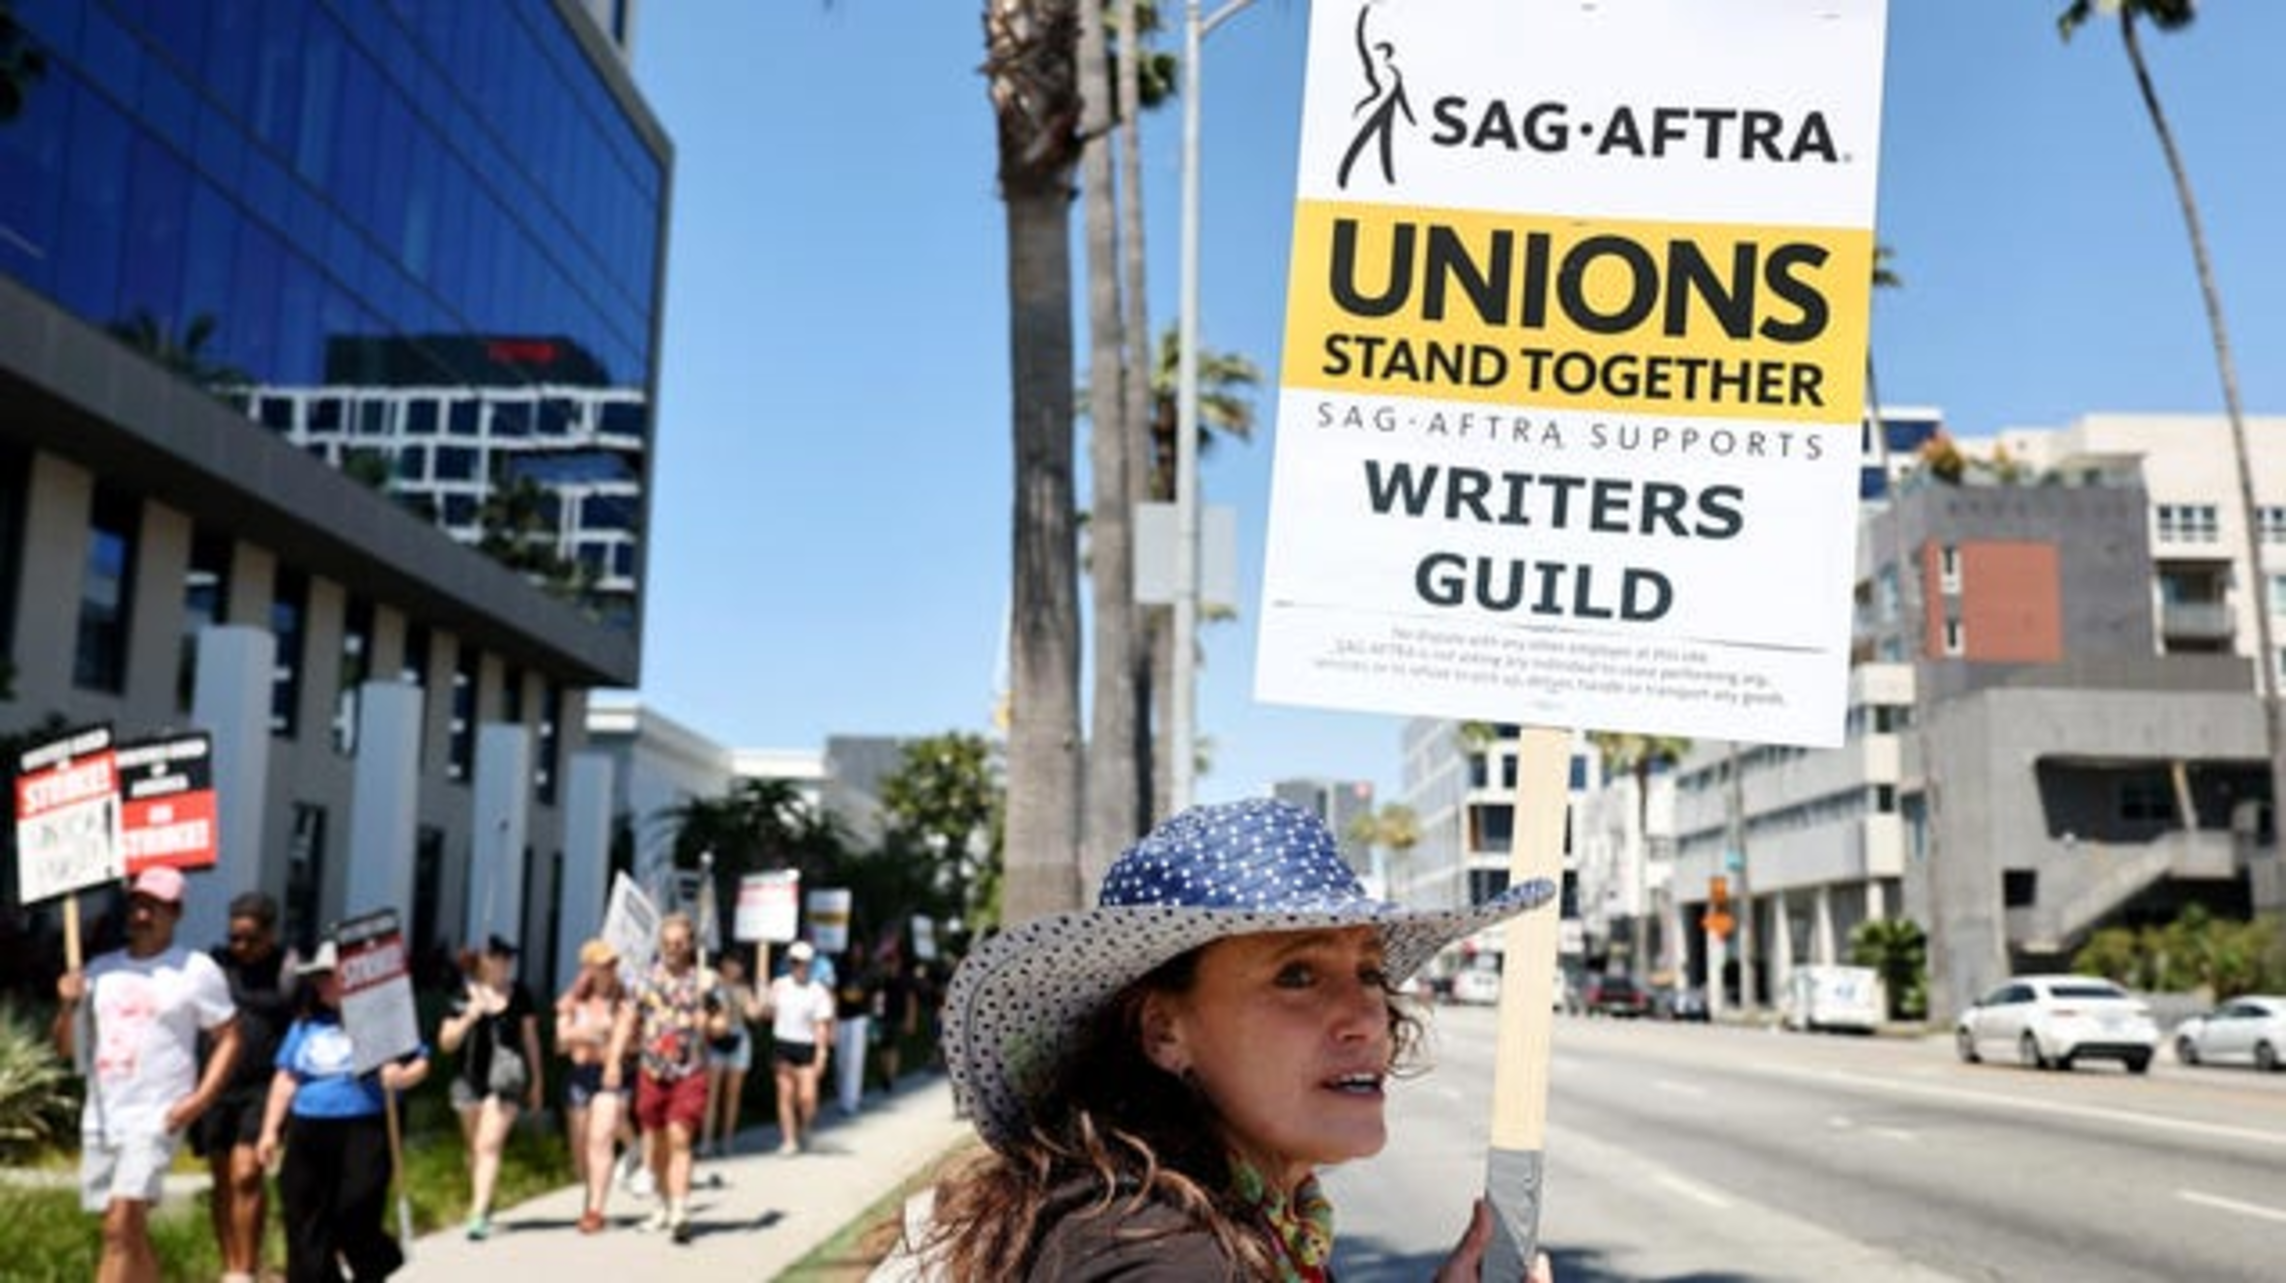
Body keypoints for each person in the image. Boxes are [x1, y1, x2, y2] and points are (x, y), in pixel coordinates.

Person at [916, 798, 1560, 1280]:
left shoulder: (1226, 1220)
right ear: (1164, 1032)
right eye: (1297, 975)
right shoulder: (1162, 1254)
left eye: (1369, 973)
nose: (1366, 1018)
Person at [52, 866, 243, 1283]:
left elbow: (229, 1037)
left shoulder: (195, 969)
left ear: (176, 912)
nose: (142, 915)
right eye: (137, 905)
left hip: (157, 1114)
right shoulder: (99, 970)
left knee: (120, 1226)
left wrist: (199, 1100)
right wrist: (67, 1004)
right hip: (103, 1116)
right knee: (124, 1230)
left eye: (154, 907)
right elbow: (67, 1049)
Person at [257, 938, 430, 1283]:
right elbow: (286, 1078)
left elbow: (420, 1063)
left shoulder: (386, 1021)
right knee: (303, 1215)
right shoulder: (306, 1024)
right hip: (309, 1128)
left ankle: (378, 1261)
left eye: (330, 976)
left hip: (364, 1125)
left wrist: (401, 1077)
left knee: (355, 1208)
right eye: (319, 977)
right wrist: (269, 1131)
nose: (322, 983)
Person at [607, 911, 729, 1244]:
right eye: (666, 943)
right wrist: (614, 1060)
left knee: (679, 1138)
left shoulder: (706, 981)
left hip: (690, 1072)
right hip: (652, 1071)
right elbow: (627, 1020)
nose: (672, 949)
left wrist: (709, 1023)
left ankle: (679, 1209)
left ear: (690, 945)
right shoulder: (644, 980)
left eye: (678, 943)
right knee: (658, 1142)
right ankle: (662, 1203)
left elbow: (724, 1023)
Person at [197, 891, 297, 1283]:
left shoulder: (288, 971)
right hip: (216, 1085)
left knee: (247, 1173)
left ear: (270, 934)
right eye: (234, 937)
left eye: (250, 939)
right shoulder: (216, 967)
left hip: (263, 1087)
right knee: (222, 1178)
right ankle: (230, 1265)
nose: (241, 946)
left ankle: (246, 1270)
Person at [436, 934, 543, 1240]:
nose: (506, 963)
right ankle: (483, 1199)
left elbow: (530, 1040)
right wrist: (470, 1016)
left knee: (488, 1145)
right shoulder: (462, 994)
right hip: (468, 1079)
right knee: (474, 1149)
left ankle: (477, 1213)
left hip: (506, 1081)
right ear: (484, 961)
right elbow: (446, 1042)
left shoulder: (520, 994)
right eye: (500, 957)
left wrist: (537, 1081)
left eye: (509, 958)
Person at [556, 936, 635, 1233]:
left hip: (611, 1075)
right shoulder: (573, 1000)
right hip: (580, 1075)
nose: (609, 969)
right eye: (603, 964)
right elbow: (561, 1042)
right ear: (588, 968)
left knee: (599, 1138)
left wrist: (605, 1047)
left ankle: (595, 1210)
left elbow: (629, 1038)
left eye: (612, 964)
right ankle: (591, 1191)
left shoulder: (624, 1000)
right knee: (580, 1146)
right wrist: (593, 1033)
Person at [762, 940, 835, 1154]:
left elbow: (821, 1024)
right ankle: (789, 1139)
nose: (799, 966)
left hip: (806, 1046)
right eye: (795, 962)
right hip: (783, 1043)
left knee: (807, 1097)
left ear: (810, 964)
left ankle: (805, 1128)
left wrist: (822, 1053)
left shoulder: (817, 990)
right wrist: (765, 999)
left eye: (803, 962)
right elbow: (767, 1014)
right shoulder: (780, 985)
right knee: (785, 1094)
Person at [699, 951, 763, 1158]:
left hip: (738, 1039)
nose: (735, 968)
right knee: (711, 1094)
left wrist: (758, 1002)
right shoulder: (711, 984)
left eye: (739, 964)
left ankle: (727, 1140)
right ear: (724, 963)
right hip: (715, 1040)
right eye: (732, 962)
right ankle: (706, 1141)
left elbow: (753, 1014)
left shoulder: (744, 989)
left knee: (732, 1095)